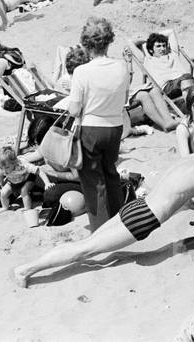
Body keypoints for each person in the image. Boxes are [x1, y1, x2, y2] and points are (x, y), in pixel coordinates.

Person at [11, 154, 194, 288]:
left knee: (87, 244)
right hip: (143, 219)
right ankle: (27, 269)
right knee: (85, 249)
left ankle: (34, 265)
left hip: (137, 206)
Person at [68, 17, 129, 231]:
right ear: (109, 40)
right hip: (115, 126)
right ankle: (120, 223)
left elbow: (74, 110)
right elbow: (124, 99)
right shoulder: (122, 67)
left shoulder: (82, 72)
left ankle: (101, 230)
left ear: (86, 43)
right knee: (111, 173)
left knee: (94, 182)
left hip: (91, 128)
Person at [0, 146, 41, 214]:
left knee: (24, 190)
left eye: (6, 167)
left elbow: (36, 169)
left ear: (14, 162)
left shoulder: (21, 165)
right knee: (3, 193)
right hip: (14, 181)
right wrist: (1, 185)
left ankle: (27, 207)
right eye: (1, 168)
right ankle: (5, 207)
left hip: (27, 179)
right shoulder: (3, 169)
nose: (4, 170)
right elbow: (0, 175)